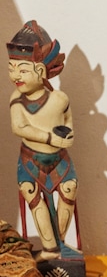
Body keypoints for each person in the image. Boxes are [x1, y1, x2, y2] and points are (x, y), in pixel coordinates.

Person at [7, 20, 76, 262]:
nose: (15, 75)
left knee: (69, 189)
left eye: (22, 69)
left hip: (59, 160)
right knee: (32, 195)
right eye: (11, 67)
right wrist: (50, 137)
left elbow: (67, 120)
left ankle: (60, 244)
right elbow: (19, 127)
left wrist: (68, 134)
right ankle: (49, 248)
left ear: (41, 71)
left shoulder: (59, 98)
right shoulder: (17, 99)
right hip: (30, 161)